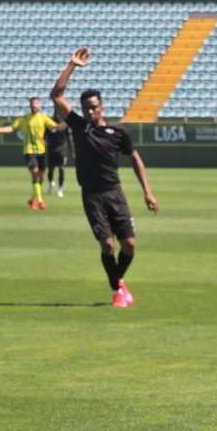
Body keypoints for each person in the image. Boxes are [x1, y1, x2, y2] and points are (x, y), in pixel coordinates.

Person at [50, 47, 160, 308]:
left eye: (94, 108)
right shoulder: (78, 125)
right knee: (108, 245)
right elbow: (55, 95)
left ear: (102, 107)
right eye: (86, 108)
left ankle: (118, 281)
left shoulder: (117, 132)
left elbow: (135, 159)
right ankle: (117, 291)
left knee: (130, 245)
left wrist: (147, 191)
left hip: (115, 193)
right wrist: (71, 65)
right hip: (92, 195)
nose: (90, 112)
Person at [0, 97, 59, 210]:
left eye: (36, 103)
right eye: (32, 104)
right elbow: (12, 128)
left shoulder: (44, 118)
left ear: (39, 105)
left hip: (41, 151)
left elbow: (57, 127)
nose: (34, 105)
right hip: (29, 151)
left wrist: (68, 123)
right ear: (30, 105)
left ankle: (32, 199)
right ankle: (40, 201)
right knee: (35, 173)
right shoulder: (24, 119)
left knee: (41, 178)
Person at [45, 111, 74, 197]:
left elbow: (69, 139)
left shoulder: (65, 125)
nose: (57, 116)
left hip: (62, 150)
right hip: (51, 150)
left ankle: (60, 188)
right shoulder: (49, 124)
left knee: (61, 169)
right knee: (50, 170)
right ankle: (50, 184)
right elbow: (43, 136)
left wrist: (72, 151)